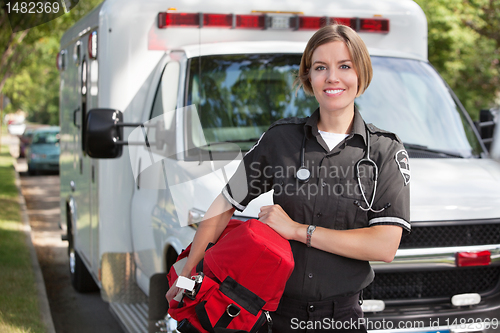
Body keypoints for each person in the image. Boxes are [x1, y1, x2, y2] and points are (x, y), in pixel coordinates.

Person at [166, 24, 411, 332]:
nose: (332, 77)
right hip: (272, 317)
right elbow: (224, 204)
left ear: (361, 73)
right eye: (320, 67)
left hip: (342, 319)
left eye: (344, 66)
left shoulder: (384, 151)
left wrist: (296, 230)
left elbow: (384, 246)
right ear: (309, 76)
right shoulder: (279, 140)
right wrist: (189, 273)